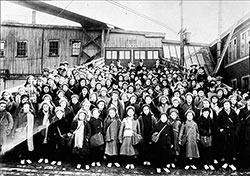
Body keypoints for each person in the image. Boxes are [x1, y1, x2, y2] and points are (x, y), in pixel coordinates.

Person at [217, 99, 240, 171]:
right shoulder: (221, 113)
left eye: (227, 104)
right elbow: (217, 123)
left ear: (230, 105)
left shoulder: (233, 113)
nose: (226, 106)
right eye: (225, 104)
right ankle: (226, 162)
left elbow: (238, 123)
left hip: (232, 132)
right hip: (224, 132)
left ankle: (231, 163)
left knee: (232, 147)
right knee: (224, 147)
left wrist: (236, 131)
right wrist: (220, 130)